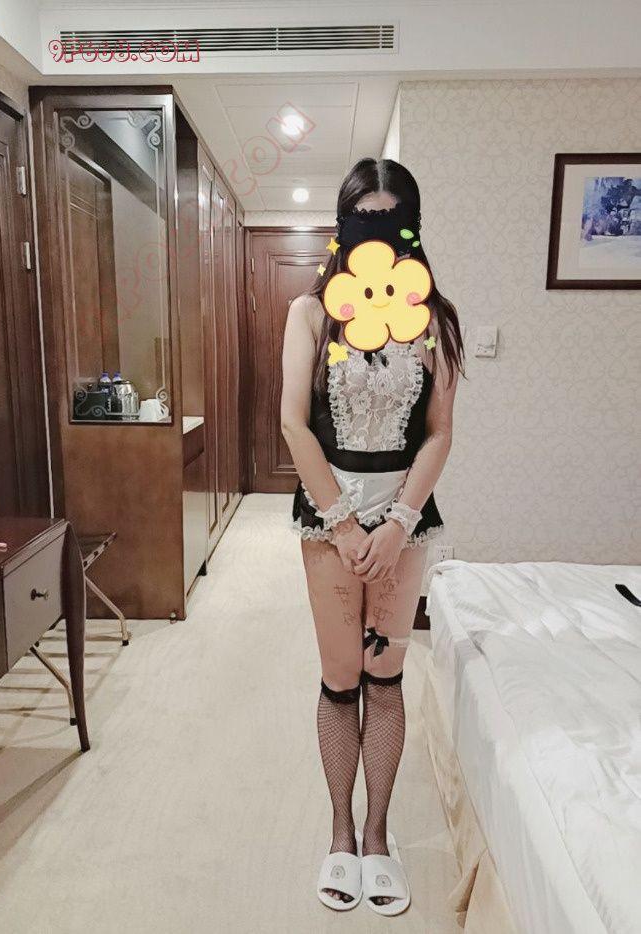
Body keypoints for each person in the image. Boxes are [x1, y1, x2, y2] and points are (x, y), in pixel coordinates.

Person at [280, 157, 464, 915]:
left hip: (406, 523)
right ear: (341, 228)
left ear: (413, 230)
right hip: (328, 521)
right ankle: (340, 832)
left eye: (393, 222)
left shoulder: (436, 319)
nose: (377, 237)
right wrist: (346, 522)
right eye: (363, 221)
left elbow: (440, 432)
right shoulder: (309, 313)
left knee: (385, 678)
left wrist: (397, 525)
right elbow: (294, 422)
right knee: (340, 679)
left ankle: (379, 836)